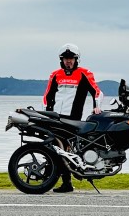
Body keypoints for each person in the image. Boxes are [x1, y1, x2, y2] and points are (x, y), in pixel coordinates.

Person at [43, 43, 103, 193]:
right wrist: (46, 113)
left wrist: (97, 107)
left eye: (71, 59)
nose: (68, 61)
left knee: (65, 149)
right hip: (55, 118)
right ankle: (51, 180)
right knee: (54, 147)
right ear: (61, 60)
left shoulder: (84, 73)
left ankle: (65, 181)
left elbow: (97, 92)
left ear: (76, 59)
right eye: (65, 59)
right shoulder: (55, 75)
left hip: (73, 119)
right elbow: (47, 96)